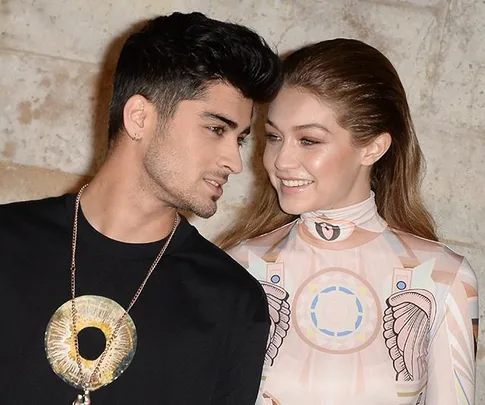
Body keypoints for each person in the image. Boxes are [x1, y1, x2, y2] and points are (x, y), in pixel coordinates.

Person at [0, 12, 282, 404]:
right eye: (217, 129)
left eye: (240, 138)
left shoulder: (232, 303)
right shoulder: (7, 244)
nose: (234, 161)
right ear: (139, 117)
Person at [220, 38, 479, 405]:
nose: (280, 160)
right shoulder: (236, 268)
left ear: (372, 147)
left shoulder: (444, 279)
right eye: (274, 137)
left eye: (308, 140)